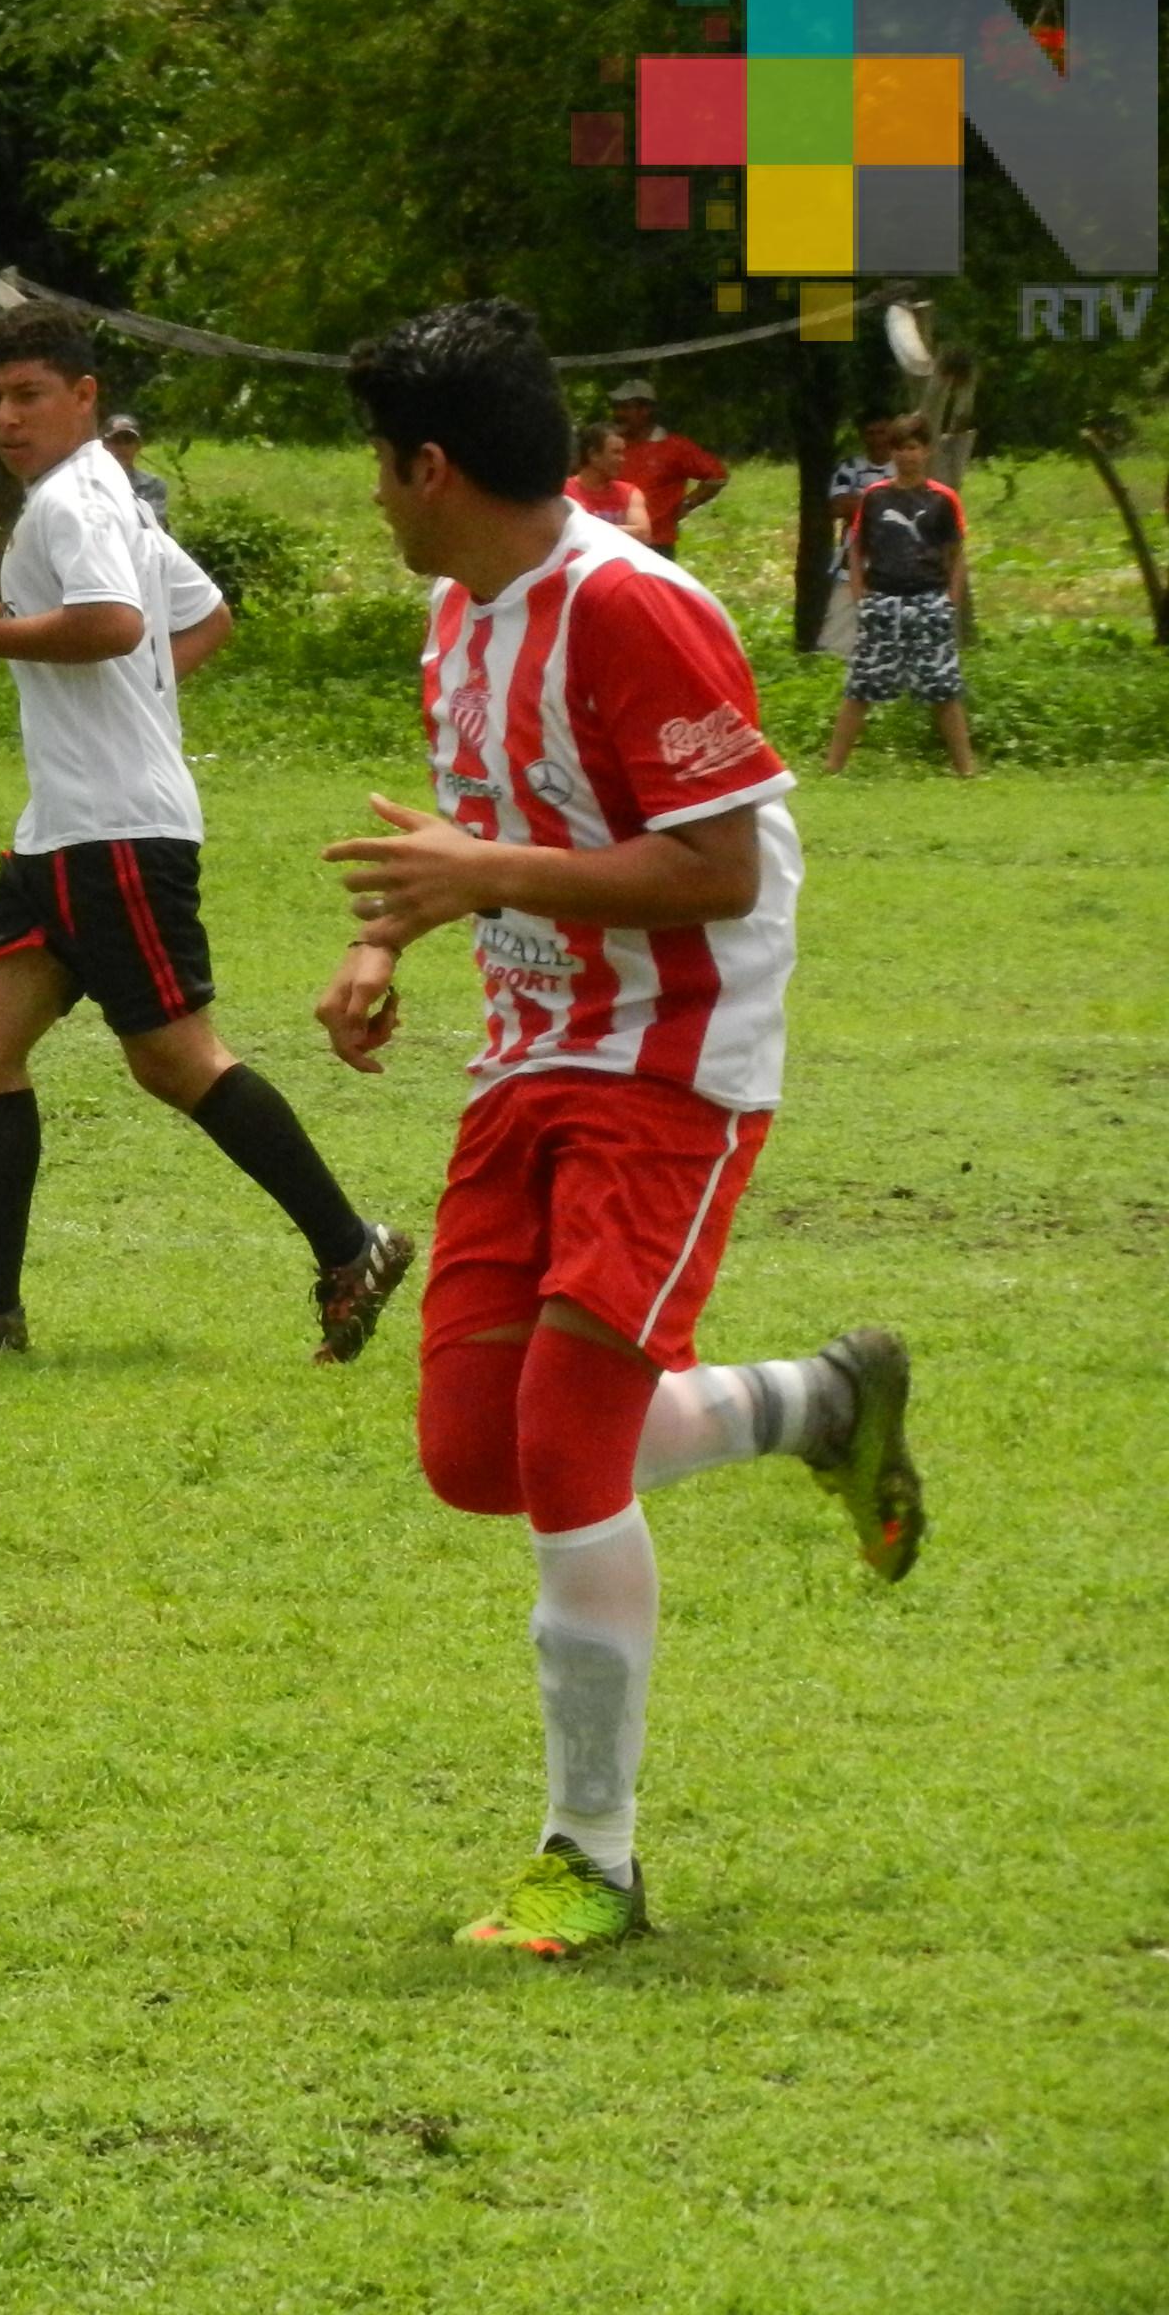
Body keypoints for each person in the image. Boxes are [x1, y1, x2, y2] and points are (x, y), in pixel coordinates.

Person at [319, 297, 923, 1958]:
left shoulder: (633, 610)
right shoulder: (455, 611)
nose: (369, 497)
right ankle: (813, 1400)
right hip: (529, 1048)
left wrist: (480, 880)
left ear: (427, 466)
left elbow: (714, 867)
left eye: (375, 466)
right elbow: (491, 825)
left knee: (568, 1445)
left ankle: (588, 1853)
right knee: (474, 1451)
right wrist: (390, 932)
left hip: (669, 1057)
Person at [0, 300, 412, 1364]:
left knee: (172, 1058)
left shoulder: (73, 504)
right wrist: (132, 706)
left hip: (114, 832)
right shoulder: (106, 495)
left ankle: (352, 1245)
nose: (8, 418)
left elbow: (114, 623)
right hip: (59, 831)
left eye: (29, 396)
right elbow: (202, 618)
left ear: (83, 396)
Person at [827, 413, 977, 778]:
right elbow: (857, 548)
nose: (907, 455)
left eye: (913, 447)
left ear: (926, 451)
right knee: (861, 685)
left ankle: (967, 770)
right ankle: (832, 766)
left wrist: (949, 602)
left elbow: (956, 556)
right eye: (900, 448)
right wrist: (861, 597)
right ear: (891, 452)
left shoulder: (943, 499)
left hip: (929, 601)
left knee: (943, 687)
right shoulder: (875, 498)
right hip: (883, 601)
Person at [606, 378, 727, 560]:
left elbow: (717, 476)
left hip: (656, 544)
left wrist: (687, 504)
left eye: (625, 407)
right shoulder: (613, 446)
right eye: (617, 407)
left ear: (645, 410)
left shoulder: (674, 447)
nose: (618, 413)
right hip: (611, 539)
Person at [817, 412, 899, 658]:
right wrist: (884, 500)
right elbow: (836, 507)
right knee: (843, 616)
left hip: (895, 555)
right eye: (870, 434)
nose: (876, 440)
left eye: (881, 432)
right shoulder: (850, 466)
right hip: (854, 553)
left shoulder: (902, 465)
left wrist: (860, 500)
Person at [562, 421, 655, 542]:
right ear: (593, 454)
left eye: (623, 452)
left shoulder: (629, 492)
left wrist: (585, 530)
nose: (623, 459)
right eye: (616, 452)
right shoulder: (561, 491)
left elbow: (643, 534)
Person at [102, 410, 171, 519]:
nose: (122, 447)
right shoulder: (91, 485)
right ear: (104, 445)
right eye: (116, 441)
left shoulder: (152, 485)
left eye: (128, 440)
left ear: (138, 446)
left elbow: (152, 524)